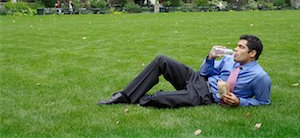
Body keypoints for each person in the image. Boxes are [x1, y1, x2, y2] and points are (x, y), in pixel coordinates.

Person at [97, 34, 271, 108]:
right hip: (197, 80)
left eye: (240, 47)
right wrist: (210, 58)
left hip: (207, 96)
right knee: (161, 60)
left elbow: (264, 102)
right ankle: (124, 96)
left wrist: (240, 101)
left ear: (252, 53)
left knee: (158, 98)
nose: (235, 49)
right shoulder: (228, 59)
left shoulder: (260, 77)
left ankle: (144, 99)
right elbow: (203, 72)